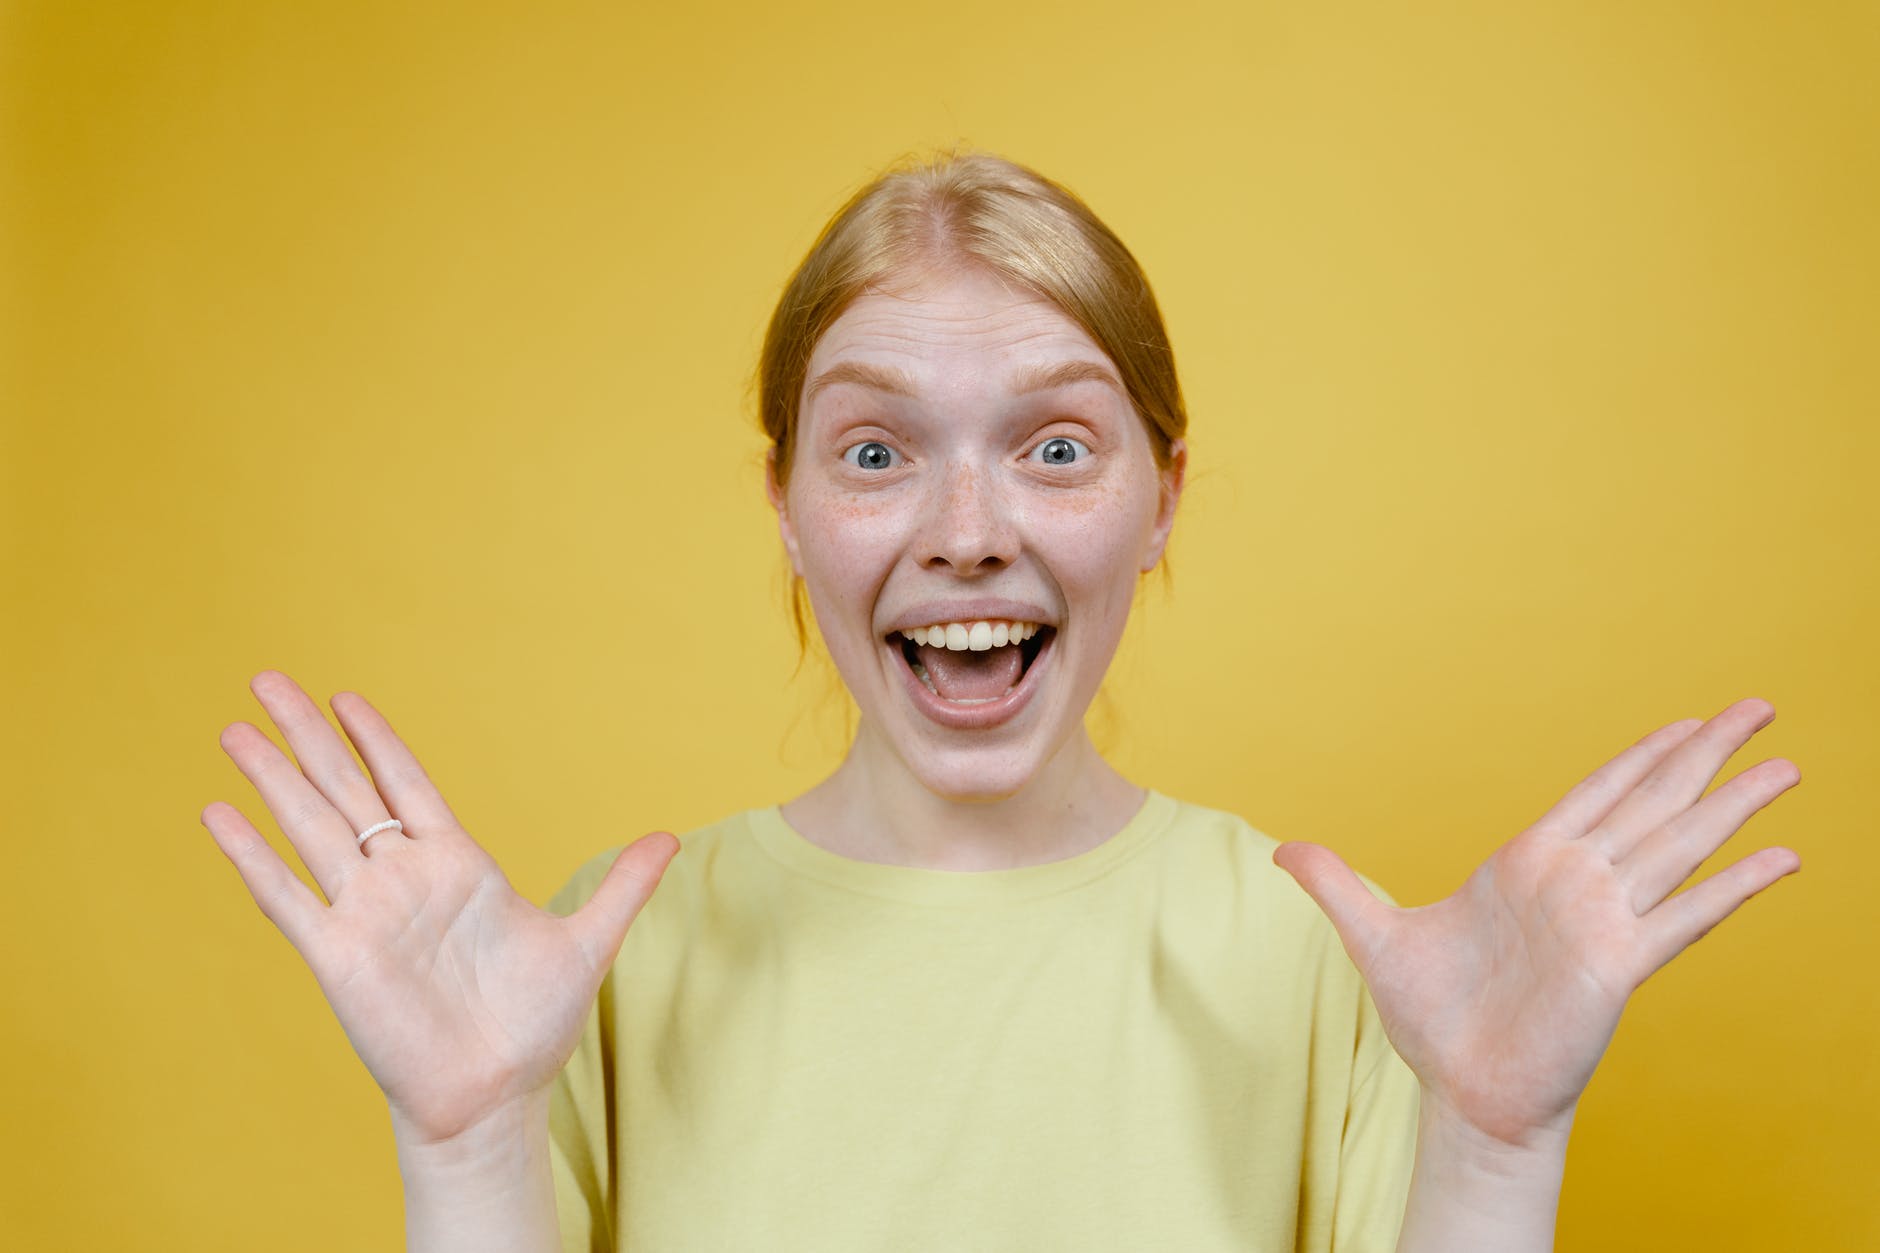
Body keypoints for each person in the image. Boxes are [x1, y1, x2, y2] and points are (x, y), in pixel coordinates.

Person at [200, 150, 1803, 1253]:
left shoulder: (1328, 965)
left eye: (1054, 445)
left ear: (1163, 491)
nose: (968, 529)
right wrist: (467, 1143)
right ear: (787, 504)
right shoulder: (596, 968)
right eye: (879, 450)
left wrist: (1495, 1147)